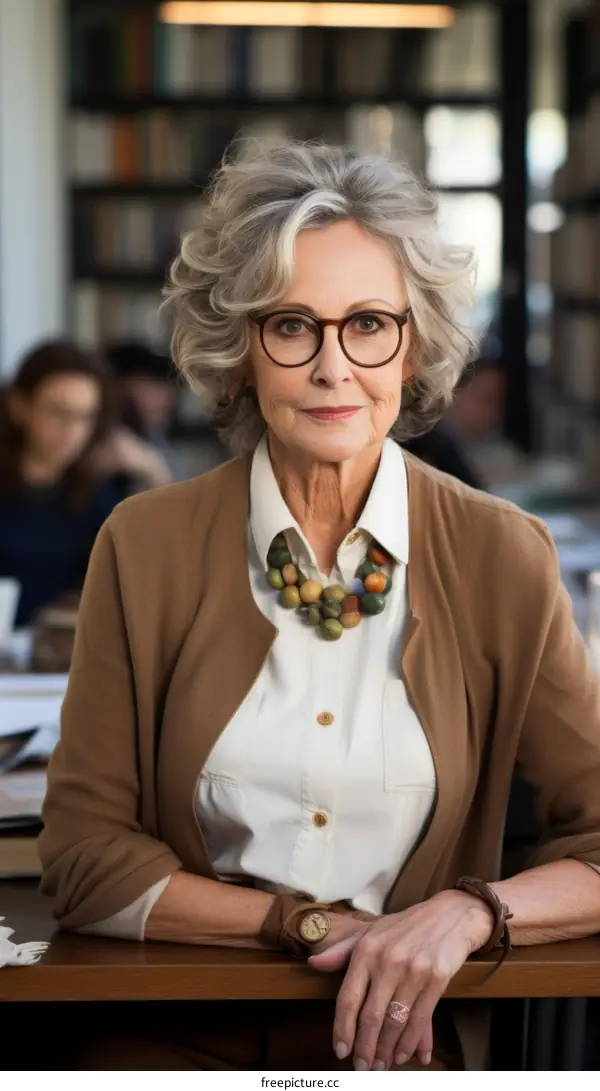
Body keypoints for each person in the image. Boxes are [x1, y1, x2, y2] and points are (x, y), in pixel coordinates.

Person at [40, 143, 600, 1072]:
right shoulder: (142, 545)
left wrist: (468, 911)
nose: (334, 366)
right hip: (169, 1033)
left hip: (402, 1047)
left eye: (369, 323)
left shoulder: (504, 554)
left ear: (412, 343)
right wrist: (304, 923)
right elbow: (84, 858)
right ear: (240, 346)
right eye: (293, 325)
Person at [0, 340, 119, 628]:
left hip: (55, 657)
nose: (72, 431)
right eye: (58, 413)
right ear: (19, 407)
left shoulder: (95, 496)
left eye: (85, 417)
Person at [402, 357, 506, 489]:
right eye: (486, 399)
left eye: (499, 401)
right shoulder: (432, 449)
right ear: (453, 391)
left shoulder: (475, 447)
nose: (494, 411)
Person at [104, 340, 188, 483]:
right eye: (152, 389)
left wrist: (152, 470)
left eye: (168, 390)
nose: (166, 401)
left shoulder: (157, 447)